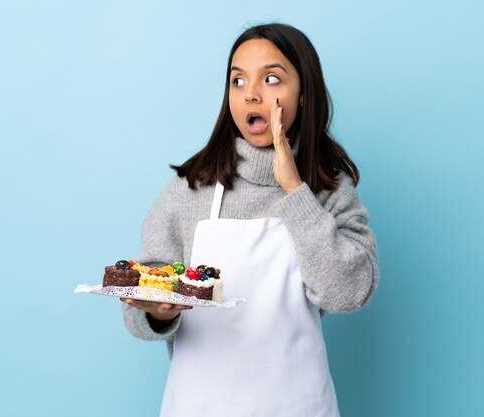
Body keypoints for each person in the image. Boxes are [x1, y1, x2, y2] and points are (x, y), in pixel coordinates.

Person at [120, 22, 378, 417]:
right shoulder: (193, 186)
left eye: (271, 79)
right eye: (237, 81)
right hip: (201, 406)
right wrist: (157, 310)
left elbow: (348, 293)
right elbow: (144, 292)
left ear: (304, 94)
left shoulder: (328, 187)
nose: (252, 94)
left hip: (299, 405)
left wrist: (294, 189)